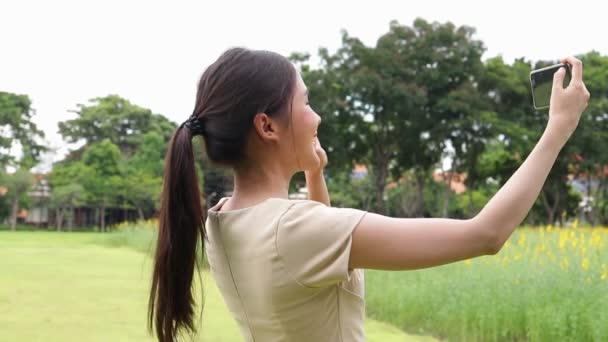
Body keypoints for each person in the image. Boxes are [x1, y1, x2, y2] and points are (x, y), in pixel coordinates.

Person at [148, 48, 590, 342]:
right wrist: (557, 131)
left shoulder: (223, 219)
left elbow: (308, 268)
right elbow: (485, 235)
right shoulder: (296, 230)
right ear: (267, 126)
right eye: (305, 102)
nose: (315, 115)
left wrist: (314, 174)